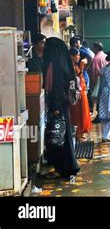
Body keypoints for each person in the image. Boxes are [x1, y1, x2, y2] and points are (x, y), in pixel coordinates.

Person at [42, 37, 80, 178]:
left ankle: (60, 169)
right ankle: (67, 166)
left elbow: (57, 87)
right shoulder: (64, 63)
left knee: (58, 137)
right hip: (63, 104)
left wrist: (56, 107)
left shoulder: (55, 65)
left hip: (58, 105)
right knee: (64, 135)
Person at [69, 48, 92, 141]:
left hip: (81, 91)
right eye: (77, 55)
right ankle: (77, 133)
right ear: (72, 56)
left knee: (82, 112)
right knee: (77, 113)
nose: (79, 57)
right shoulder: (71, 66)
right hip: (76, 93)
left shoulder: (75, 65)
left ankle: (80, 132)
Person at [88, 42, 108, 123]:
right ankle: (104, 115)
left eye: (93, 47)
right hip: (106, 81)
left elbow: (95, 72)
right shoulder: (105, 56)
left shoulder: (96, 58)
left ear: (96, 48)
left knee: (98, 100)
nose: (92, 49)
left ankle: (99, 116)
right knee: (104, 99)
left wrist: (93, 83)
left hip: (98, 82)